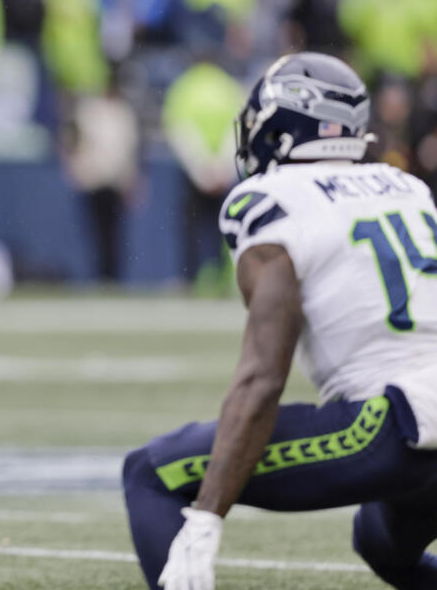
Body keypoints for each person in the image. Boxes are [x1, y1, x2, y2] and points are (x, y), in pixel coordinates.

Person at [122, 53, 437, 590]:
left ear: (287, 125)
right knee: (381, 541)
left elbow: (263, 377)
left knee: (150, 472)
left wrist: (206, 519)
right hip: (421, 422)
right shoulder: (407, 188)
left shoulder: (272, 200)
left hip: (396, 424)